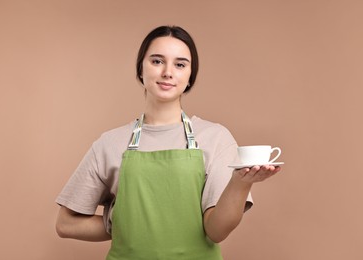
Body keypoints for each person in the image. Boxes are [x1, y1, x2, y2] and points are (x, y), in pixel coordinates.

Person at [55, 25, 281, 259]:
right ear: (141, 69)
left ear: (190, 77)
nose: (168, 72)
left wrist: (240, 183)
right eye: (157, 61)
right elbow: (65, 224)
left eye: (180, 64)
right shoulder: (109, 143)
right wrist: (120, 220)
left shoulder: (215, 138)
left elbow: (216, 231)